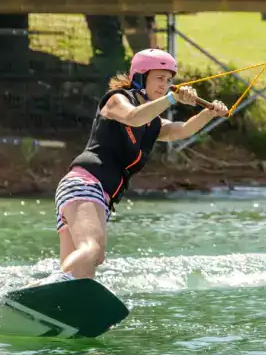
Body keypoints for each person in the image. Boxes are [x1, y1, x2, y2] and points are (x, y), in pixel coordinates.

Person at [44, 49, 230, 282]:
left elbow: (179, 130)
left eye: (169, 80)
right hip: (84, 184)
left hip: (97, 194)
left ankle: (58, 305)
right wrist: (173, 98)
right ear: (141, 78)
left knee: (83, 269)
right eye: (159, 78)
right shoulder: (117, 100)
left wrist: (208, 113)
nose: (165, 85)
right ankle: (45, 287)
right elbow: (133, 117)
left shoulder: (153, 123)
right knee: (92, 250)